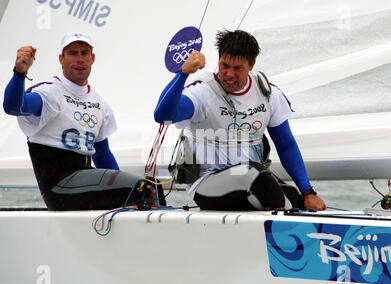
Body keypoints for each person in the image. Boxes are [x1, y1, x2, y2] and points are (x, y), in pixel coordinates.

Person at [154, 29, 326, 211]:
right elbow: (162, 116)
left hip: (253, 179)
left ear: (251, 65)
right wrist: (182, 74)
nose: (228, 74)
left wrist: (308, 193)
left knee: (297, 201)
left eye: (237, 68)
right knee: (261, 180)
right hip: (206, 184)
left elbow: (286, 145)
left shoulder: (267, 94)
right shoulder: (202, 92)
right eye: (224, 65)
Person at [3, 32, 161, 211]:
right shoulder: (50, 92)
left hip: (84, 181)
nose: (79, 59)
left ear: (92, 58)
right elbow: (13, 107)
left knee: (150, 188)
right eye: (73, 53)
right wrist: (19, 74)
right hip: (58, 188)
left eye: (84, 53)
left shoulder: (100, 103)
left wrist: (127, 186)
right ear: (61, 59)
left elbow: (102, 155)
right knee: (144, 188)